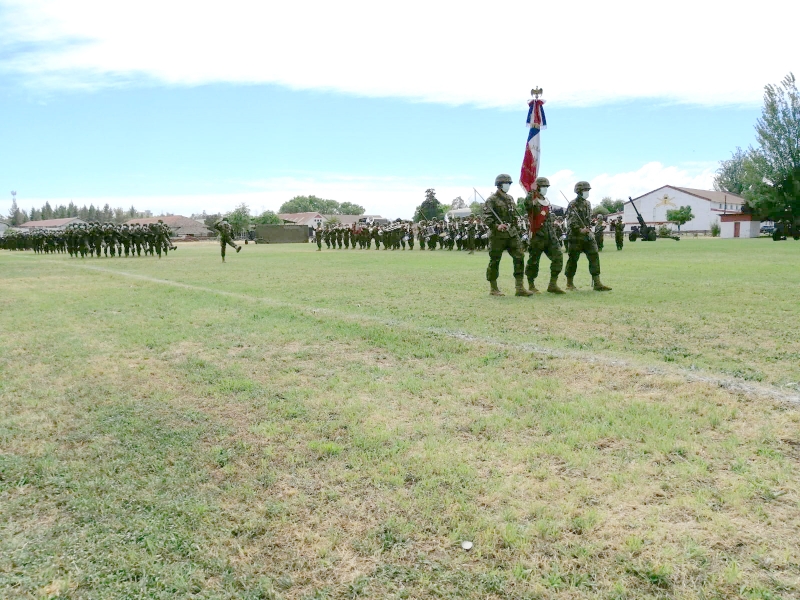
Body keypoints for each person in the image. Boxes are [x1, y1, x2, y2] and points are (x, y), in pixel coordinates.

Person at [484, 174, 533, 296]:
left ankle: (520, 288)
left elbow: (513, 215)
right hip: (497, 236)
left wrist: (518, 226)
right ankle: (493, 288)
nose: (508, 185)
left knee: (519, 257)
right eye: (507, 183)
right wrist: (496, 226)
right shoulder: (491, 199)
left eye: (510, 183)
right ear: (499, 185)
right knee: (495, 260)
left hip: (511, 234)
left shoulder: (510, 198)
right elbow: (486, 217)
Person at [565, 181, 611, 291]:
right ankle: (569, 283)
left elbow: (589, 218)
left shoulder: (588, 203)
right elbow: (570, 221)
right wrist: (580, 229)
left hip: (587, 236)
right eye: (585, 190)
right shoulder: (573, 204)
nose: (587, 192)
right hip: (576, 236)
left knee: (594, 255)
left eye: (588, 190)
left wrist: (591, 226)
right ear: (579, 191)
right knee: (573, 259)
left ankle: (597, 283)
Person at [524, 176, 565, 294]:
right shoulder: (532, 200)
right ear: (537, 187)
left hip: (550, 235)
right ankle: (531, 285)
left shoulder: (546, 201)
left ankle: (553, 284)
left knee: (558, 257)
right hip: (538, 235)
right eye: (543, 187)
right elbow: (527, 205)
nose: (545, 189)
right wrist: (530, 193)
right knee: (534, 261)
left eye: (547, 187)